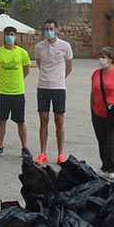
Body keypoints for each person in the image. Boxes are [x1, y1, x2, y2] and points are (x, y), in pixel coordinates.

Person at [33, 19, 73, 165]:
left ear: (56, 29)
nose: (48, 31)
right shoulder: (39, 47)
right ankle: (43, 153)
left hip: (59, 88)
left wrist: (59, 79)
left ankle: (61, 154)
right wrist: (47, 77)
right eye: (45, 29)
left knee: (59, 121)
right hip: (43, 87)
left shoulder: (65, 46)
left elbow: (69, 67)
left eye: (50, 28)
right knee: (43, 120)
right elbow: (39, 64)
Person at [0, 26, 31, 158]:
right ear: (4, 36)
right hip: (2, 93)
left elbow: (26, 71)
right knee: (1, 120)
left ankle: (25, 148)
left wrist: (16, 81)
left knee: (21, 122)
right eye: (7, 34)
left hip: (18, 92)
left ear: (15, 36)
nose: (9, 37)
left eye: (12, 34)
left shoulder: (22, 53)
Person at [90, 47, 114, 179]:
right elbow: (93, 91)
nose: (101, 59)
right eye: (100, 56)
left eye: (104, 56)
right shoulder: (96, 73)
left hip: (113, 111)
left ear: (111, 59)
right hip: (97, 111)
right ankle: (105, 166)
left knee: (112, 139)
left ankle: (112, 167)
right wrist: (92, 106)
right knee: (101, 139)